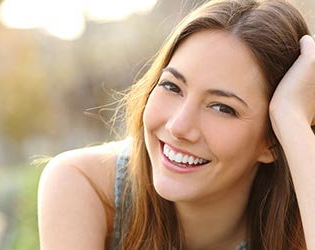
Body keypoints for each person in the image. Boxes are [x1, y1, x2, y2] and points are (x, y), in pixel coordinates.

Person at [37, 0, 315, 249]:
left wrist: (292, 119)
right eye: (171, 86)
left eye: (222, 108)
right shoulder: (86, 186)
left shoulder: (302, 217)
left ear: (272, 141)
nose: (179, 126)